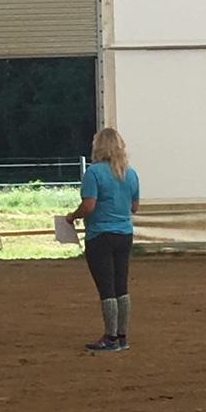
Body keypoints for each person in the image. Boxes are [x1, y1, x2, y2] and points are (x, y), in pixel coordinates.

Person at [66, 127, 140, 352]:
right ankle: (122, 335)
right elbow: (134, 207)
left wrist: (73, 216)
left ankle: (110, 337)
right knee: (121, 285)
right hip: (124, 234)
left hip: (100, 235)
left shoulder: (94, 173)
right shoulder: (130, 173)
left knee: (106, 287)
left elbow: (89, 206)